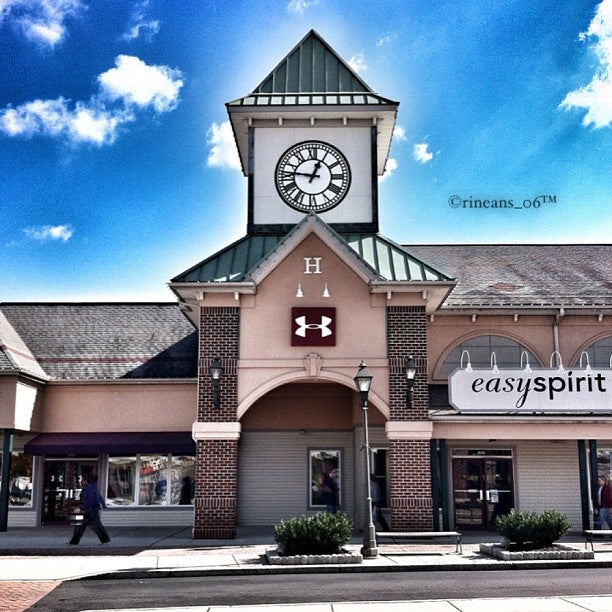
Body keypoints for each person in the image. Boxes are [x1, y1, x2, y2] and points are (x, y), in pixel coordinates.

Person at [69, 474, 111, 545]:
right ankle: (74, 541)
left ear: (85, 481)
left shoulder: (88, 488)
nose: (80, 481)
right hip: (91, 509)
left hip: (89, 510)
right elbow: (99, 497)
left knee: (83, 525)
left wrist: (81, 508)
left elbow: (89, 500)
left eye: (81, 480)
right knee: (82, 525)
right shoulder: (93, 487)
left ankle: (74, 541)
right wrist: (103, 505)